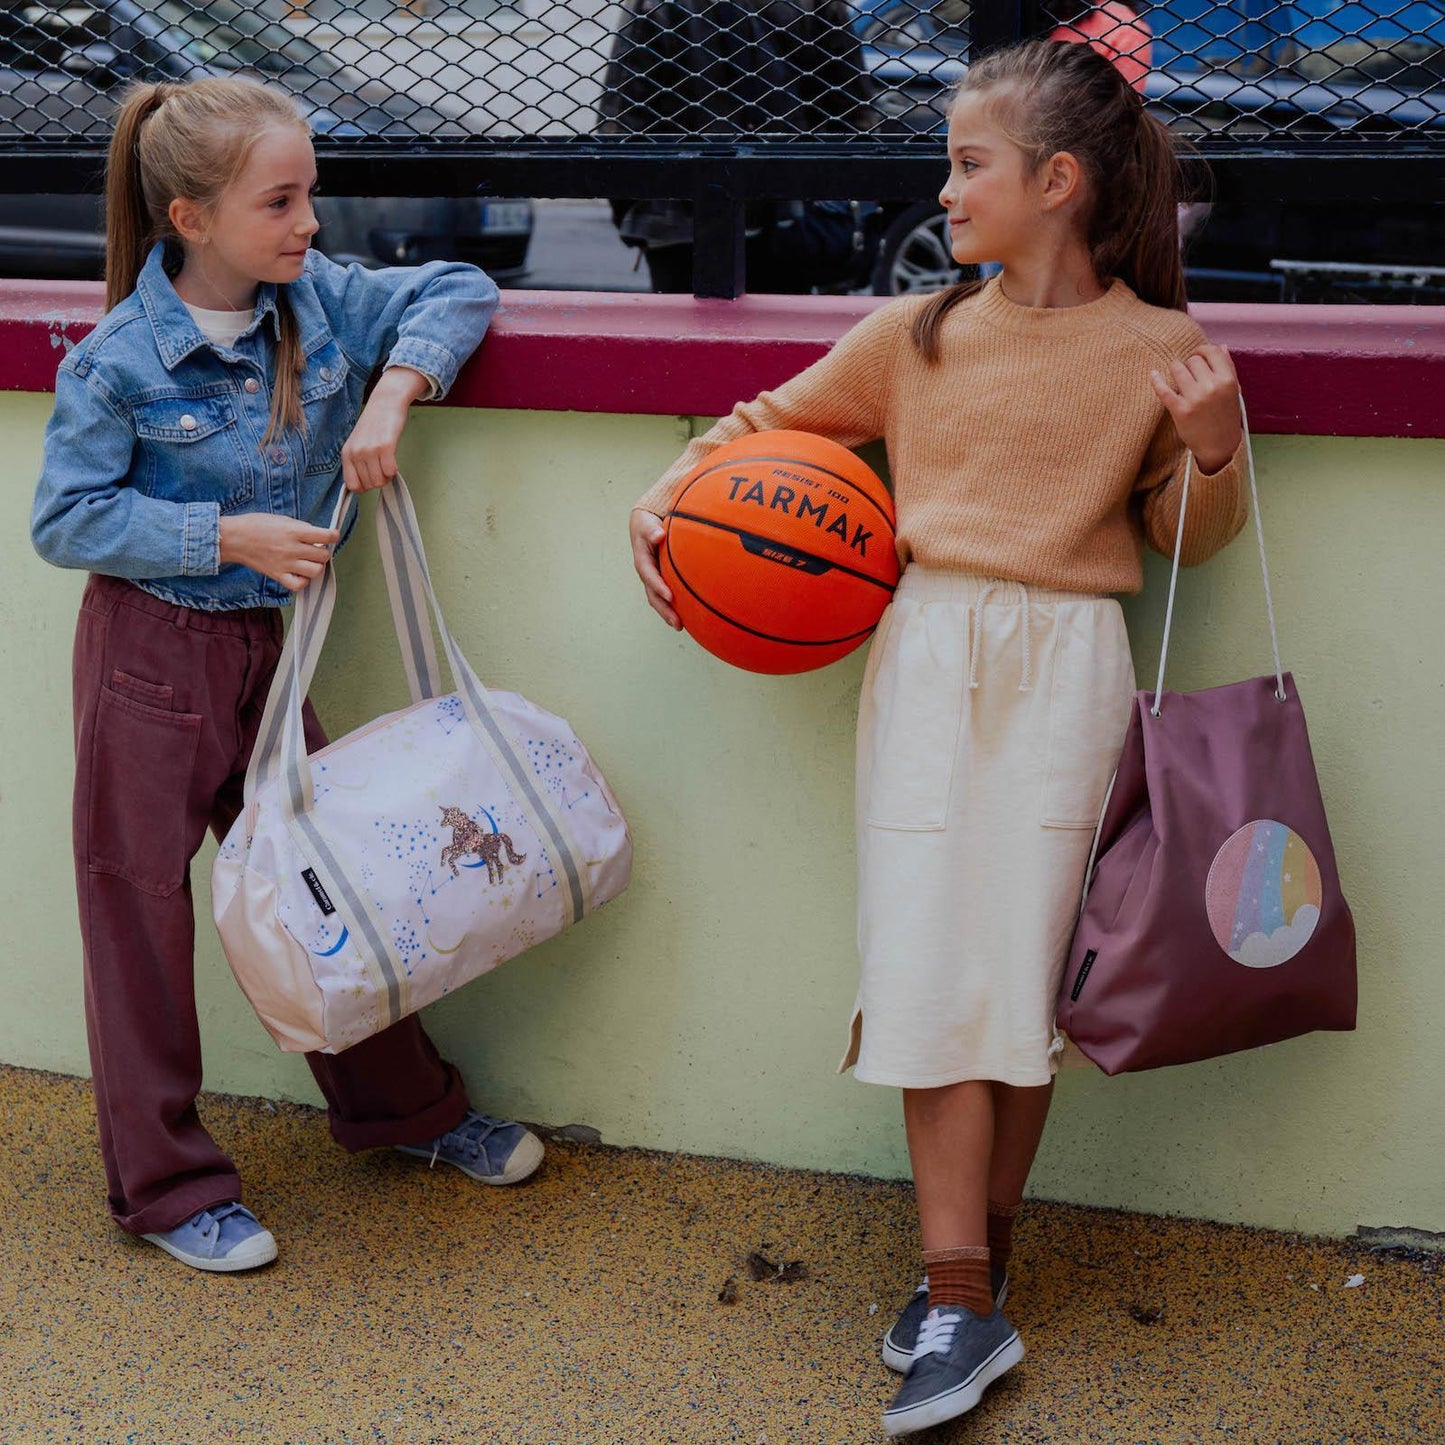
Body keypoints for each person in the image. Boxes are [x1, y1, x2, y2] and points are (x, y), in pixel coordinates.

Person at [627, 38, 1247, 1435]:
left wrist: (1212, 447)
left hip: (1069, 671)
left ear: (1060, 182)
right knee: (921, 961)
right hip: (923, 661)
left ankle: (970, 1285)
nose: (946, 187)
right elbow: (760, 426)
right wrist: (662, 500)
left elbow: (1189, 543)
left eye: (970, 164)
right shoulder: (913, 336)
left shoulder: (1159, 348)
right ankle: (959, 1287)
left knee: (1019, 972)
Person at [31, 77, 544, 1275]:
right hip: (151, 658)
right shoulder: (118, 361)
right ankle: (166, 1188)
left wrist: (395, 393)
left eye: (311, 191)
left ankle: (405, 1114)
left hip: (274, 649)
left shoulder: (318, 302)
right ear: (189, 218)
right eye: (281, 199)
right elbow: (66, 519)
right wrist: (225, 536)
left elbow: (456, 288)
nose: (310, 220)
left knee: (333, 883)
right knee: (139, 916)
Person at [597, 0, 872, 293]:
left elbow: (620, 126)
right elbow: (853, 115)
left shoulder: (653, 4)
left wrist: (638, 211)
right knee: (777, 331)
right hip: (786, 217)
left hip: (681, 224)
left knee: (688, 333)